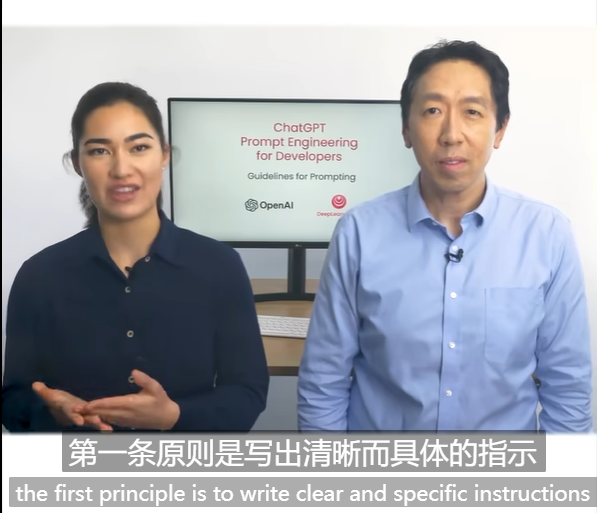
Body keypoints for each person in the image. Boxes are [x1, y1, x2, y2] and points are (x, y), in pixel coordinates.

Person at [297, 40, 593, 432]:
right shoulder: (359, 232)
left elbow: (569, 388)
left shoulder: (546, 234)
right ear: (406, 128)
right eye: (433, 111)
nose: (452, 134)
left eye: (472, 111)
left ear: (500, 129)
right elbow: (323, 381)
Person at [2, 82, 269, 432]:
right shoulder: (39, 276)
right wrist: (52, 411)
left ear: (164, 155)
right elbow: (12, 401)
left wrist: (174, 417)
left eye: (139, 147)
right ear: (78, 164)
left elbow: (247, 393)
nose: (121, 169)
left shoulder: (219, 266)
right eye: (99, 151)